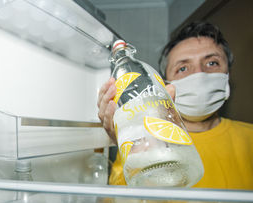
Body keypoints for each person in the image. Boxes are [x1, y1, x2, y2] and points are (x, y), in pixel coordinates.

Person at [97, 21, 253, 190]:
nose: (199, 74)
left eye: (212, 63)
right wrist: (127, 145)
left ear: (228, 74)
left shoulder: (249, 139)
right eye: (183, 68)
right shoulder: (146, 147)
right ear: (165, 85)